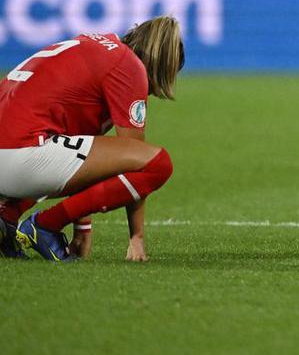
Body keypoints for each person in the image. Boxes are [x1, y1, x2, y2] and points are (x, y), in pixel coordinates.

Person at [0, 16, 182, 262]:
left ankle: (6, 220)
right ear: (160, 66)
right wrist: (136, 237)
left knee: (54, 148)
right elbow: (134, 156)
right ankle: (44, 226)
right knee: (157, 164)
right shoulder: (129, 67)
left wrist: (82, 228)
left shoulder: (97, 45)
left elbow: (79, 152)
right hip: (17, 156)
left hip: (14, 150)